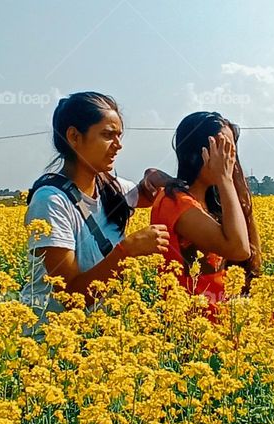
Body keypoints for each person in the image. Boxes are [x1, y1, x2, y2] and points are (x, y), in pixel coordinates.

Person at [21, 91, 171, 332]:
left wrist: (152, 176)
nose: (118, 145)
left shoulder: (108, 186)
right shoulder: (50, 202)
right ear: (74, 137)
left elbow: (145, 193)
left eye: (119, 136)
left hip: (99, 341)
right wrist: (126, 252)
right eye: (107, 135)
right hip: (54, 347)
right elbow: (70, 296)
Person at [150, 111, 262, 321]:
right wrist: (225, 179)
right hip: (196, 325)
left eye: (232, 150)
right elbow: (239, 249)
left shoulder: (210, 200)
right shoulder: (175, 202)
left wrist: (234, 183)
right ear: (197, 152)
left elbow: (251, 254)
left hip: (225, 314)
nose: (230, 157)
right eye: (222, 147)